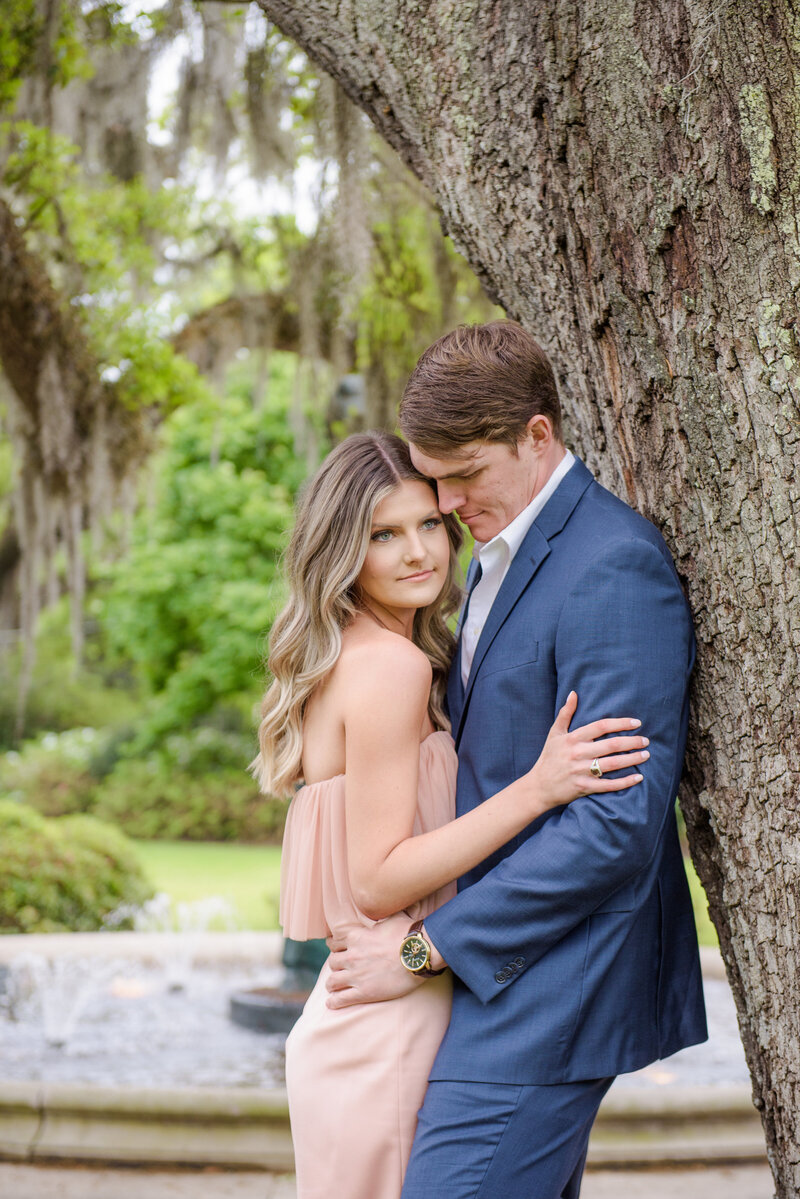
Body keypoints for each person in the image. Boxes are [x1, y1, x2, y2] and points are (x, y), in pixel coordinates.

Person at [326, 321, 708, 1199]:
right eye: (435, 478)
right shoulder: (501, 554)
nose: (448, 502)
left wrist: (427, 951)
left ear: (538, 436)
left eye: (466, 475)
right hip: (502, 981)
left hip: (553, 987)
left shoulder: (610, 565)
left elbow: (614, 826)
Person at [251, 430, 650, 1199]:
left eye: (428, 523)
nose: (417, 553)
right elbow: (376, 879)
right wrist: (537, 788)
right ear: (342, 550)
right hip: (389, 1027)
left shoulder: (363, 654)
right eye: (383, 535)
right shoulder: (392, 670)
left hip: (361, 1020)